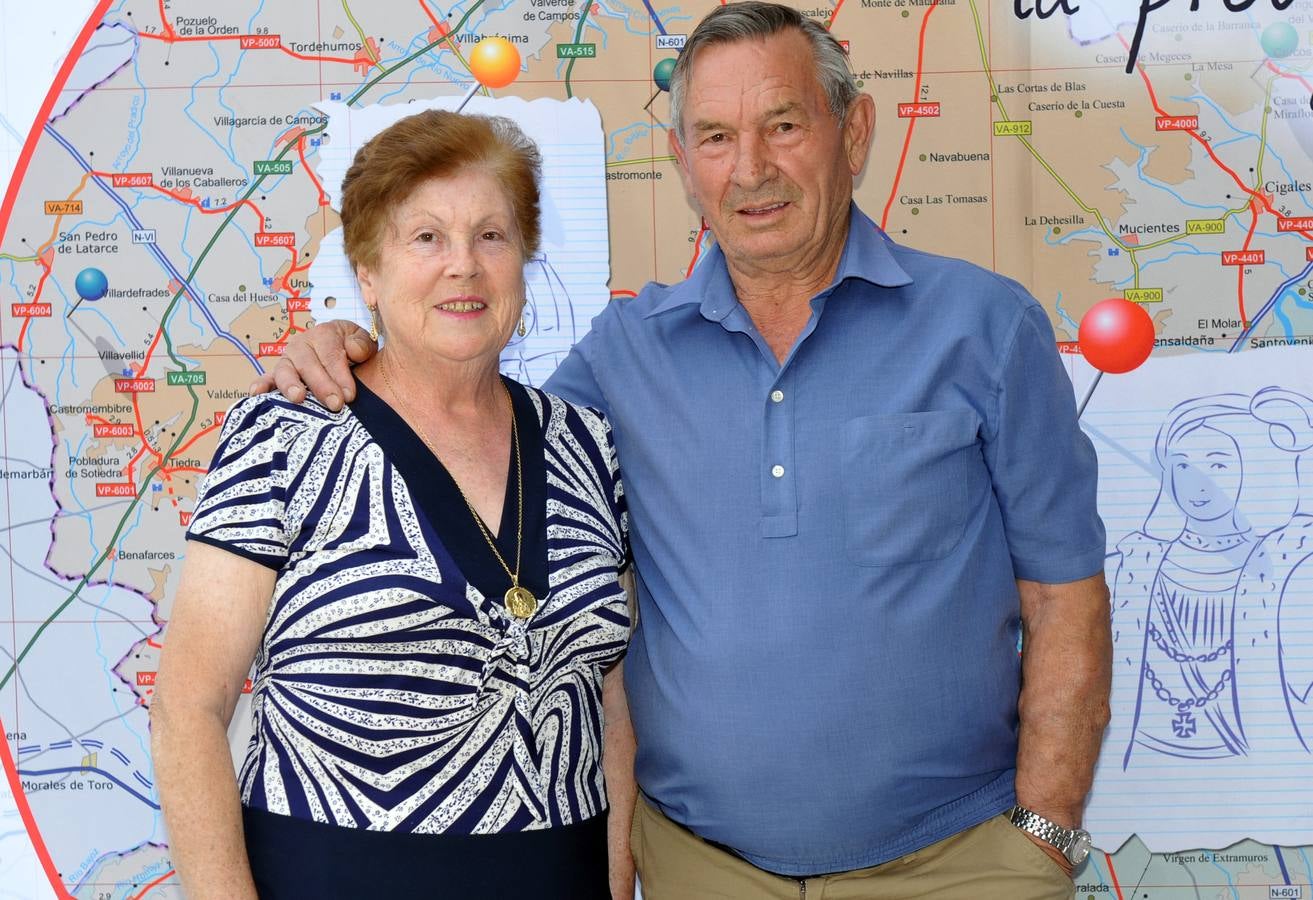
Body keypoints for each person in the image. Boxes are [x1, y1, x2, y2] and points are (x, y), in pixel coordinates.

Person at [257, 3, 1112, 897]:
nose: (750, 169)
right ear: (682, 163)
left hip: (957, 866)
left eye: (782, 125)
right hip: (699, 871)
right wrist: (347, 343)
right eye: (713, 136)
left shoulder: (985, 328)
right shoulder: (623, 356)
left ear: (851, 133)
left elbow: (1064, 597)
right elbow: (468, 417)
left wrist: (1041, 835)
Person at [152, 110, 632, 900]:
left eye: (491, 235)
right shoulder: (284, 435)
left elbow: (607, 696)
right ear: (365, 272)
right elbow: (187, 712)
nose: (463, 267)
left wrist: (615, 878)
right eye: (425, 238)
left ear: (524, 257)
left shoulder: (586, 444)